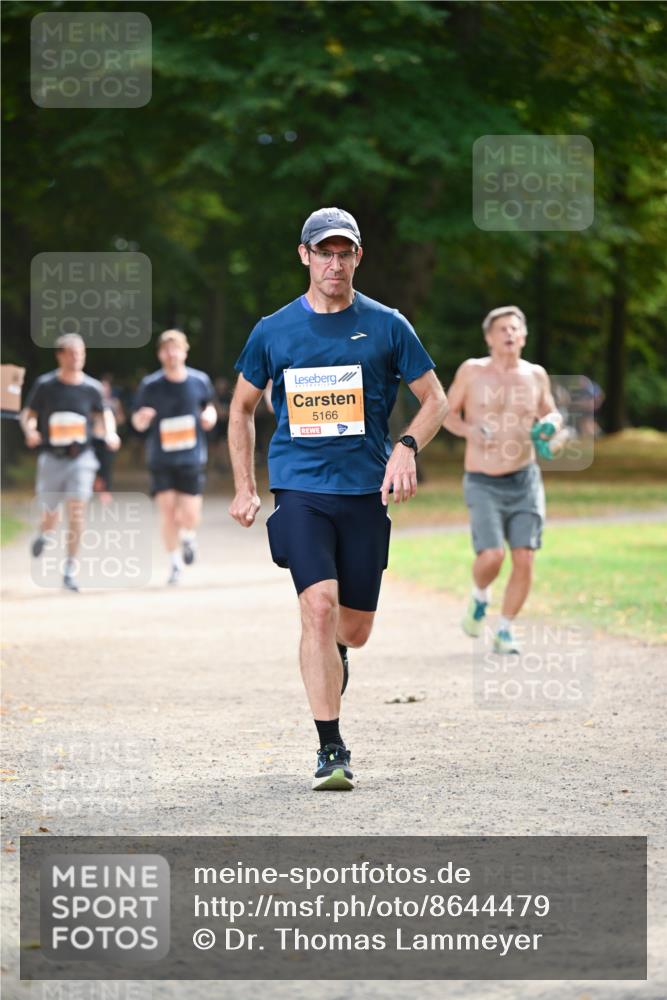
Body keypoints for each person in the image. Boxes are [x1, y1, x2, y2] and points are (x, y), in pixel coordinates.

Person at [228, 207, 448, 791]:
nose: (334, 262)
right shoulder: (273, 330)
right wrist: (245, 484)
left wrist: (406, 447)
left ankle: (336, 655)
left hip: (363, 492)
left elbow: (437, 401)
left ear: (357, 257)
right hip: (301, 488)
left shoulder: (387, 325)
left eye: (343, 252)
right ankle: (331, 749)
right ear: (304, 256)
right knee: (318, 607)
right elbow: (241, 408)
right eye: (323, 252)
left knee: (354, 629)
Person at [443, 305, 562, 654]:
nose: (509, 334)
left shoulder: (535, 375)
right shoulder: (471, 372)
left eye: (515, 328)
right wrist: (468, 430)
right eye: (502, 329)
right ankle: (480, 597)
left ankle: (505, 629)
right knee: (493, 555)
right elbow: (445, 413)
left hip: (525, 478)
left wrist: (552, 424)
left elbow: (551, 412)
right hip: (483, 480)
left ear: (524, 336)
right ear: (488, 337)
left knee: (524, 557)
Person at [20, 333, 121, 592]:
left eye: (81, 353)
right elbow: (28, 415)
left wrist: (110, 433)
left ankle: (69, 569)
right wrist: (31, 431)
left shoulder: (92, 387)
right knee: (50, 512)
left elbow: (105, 414)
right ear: (60, 355)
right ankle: (46, 533)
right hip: (52, 457)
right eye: (72, 353)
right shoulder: (45, 385)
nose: (77, 358)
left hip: (82, 458)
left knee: (77, 511)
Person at [131, 329, 217, 585]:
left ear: (185, 351)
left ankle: (188, 537)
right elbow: (136, 420)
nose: (171, 354)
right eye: (166, 349)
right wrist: (141, 420)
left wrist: (210, 416)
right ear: (160, 354)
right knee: (167, 512)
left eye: (176, 348)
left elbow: (209, 406)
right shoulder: (150, 385)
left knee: (189, 514)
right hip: (161, 458)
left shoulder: (199, 381)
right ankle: (174, 563)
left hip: (191, 457)